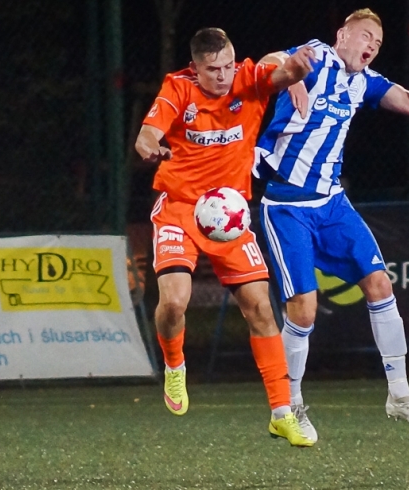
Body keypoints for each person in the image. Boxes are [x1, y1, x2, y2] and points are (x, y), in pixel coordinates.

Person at [253, 7, 409, 441]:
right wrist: (293, 73)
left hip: (332, 204)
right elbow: (264, 62)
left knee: (379, 283)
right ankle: (290, 405)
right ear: (342, 35)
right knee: (304, 308)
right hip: (286, 205)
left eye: (378, 41)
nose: (372, 45)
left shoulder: (363, 83)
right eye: (365, 36)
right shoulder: (317, 54)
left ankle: (399, 394)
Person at [134, 27, 317, 447]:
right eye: (212, 69)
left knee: (261, 310)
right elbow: (147, 133)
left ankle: (282, 413)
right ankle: (175, 364)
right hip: (180, 208)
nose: (222, 76)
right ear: (195, 67)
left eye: (227, 66)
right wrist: (150, 146)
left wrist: (296, 71)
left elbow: (276, 71)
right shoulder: (177, 89)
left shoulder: (246, 80)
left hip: (229, 216)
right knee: (174, 302)